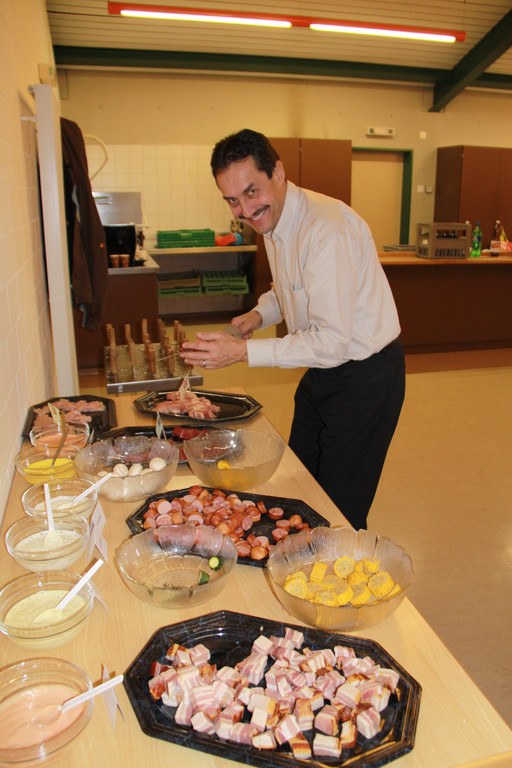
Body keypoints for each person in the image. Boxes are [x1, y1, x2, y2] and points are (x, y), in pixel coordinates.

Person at [181, 129, 405, 530]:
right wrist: (258, 316)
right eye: (232, 199)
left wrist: (242, 352)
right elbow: (290, 289)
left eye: (251, 192)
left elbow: (332, 342)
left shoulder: (326, 229)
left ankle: (337, 560)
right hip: (324, 370)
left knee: (339, 510)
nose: (245, 210)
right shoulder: (275, 220)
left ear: (278, 173)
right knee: (301, 486)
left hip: (365, 379)